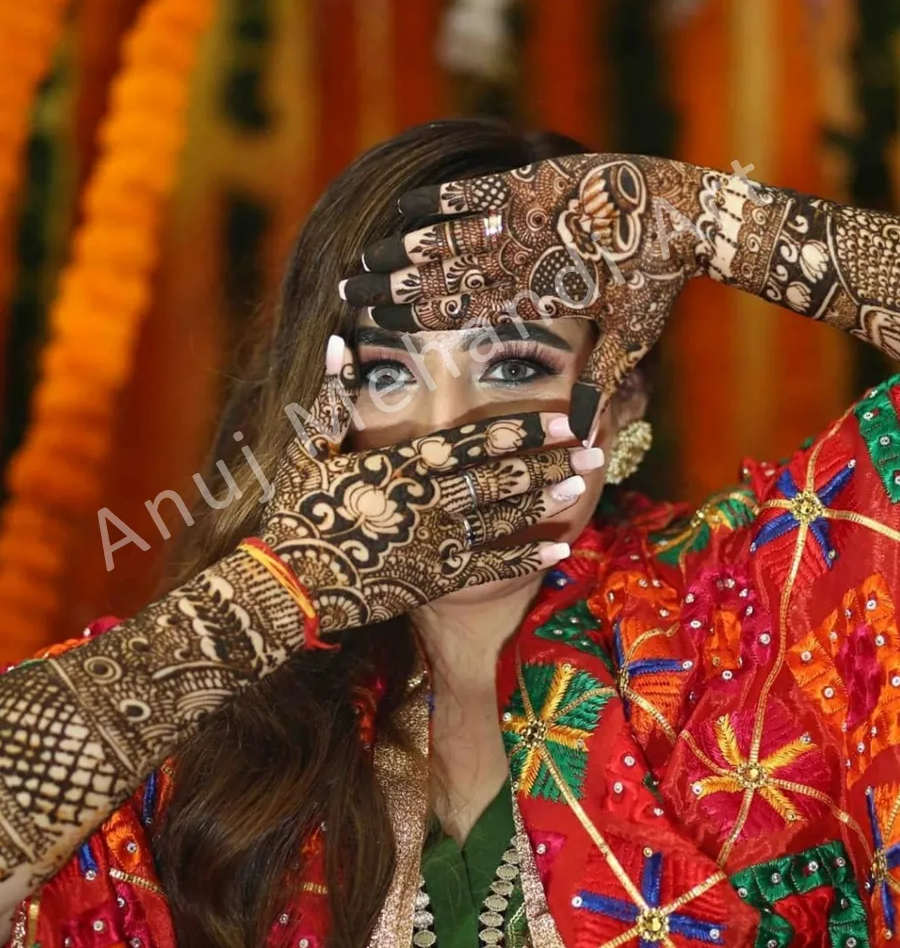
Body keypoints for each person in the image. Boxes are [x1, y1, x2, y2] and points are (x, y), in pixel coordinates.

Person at [0, 119, 896, 948]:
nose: (444, 431)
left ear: (620, 403)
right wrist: (274, 594)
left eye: (512, 363)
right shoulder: (208, 708)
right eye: (388, 373)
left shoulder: (775, 605)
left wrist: (711, 221)